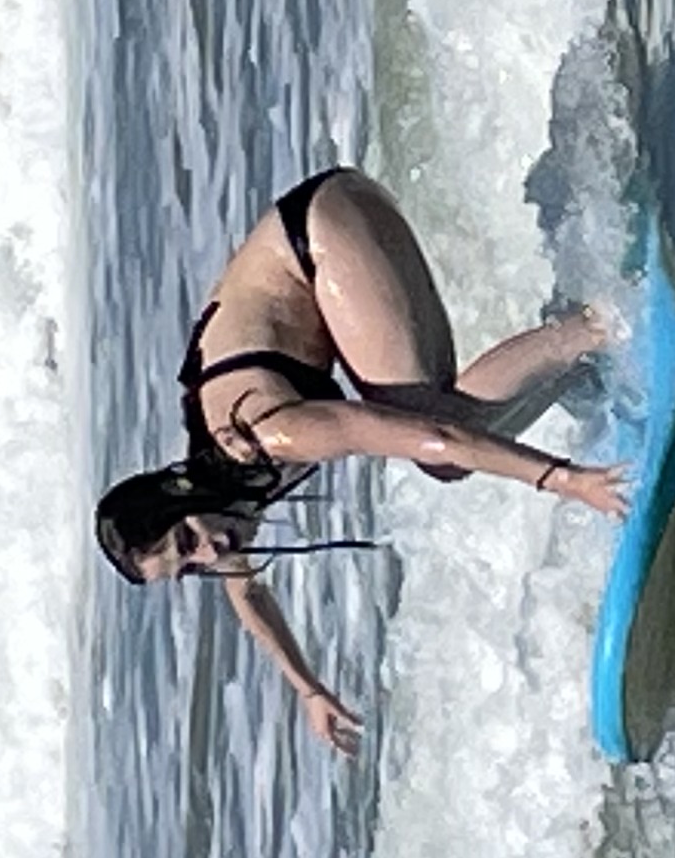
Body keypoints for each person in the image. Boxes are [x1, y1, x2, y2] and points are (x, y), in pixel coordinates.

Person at [95, 166, 626, 756]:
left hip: (324, 228)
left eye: (187, 540)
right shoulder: (218, 495)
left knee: (445, 440)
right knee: (444, 430)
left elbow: (438, 436)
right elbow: (247, 595)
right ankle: (582, 367)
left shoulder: (268, 436)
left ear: (179, 493)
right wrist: (308, 690)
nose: (209, 553)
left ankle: (602, 324)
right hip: (315, 250)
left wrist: (563, 480)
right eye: (189, 567)